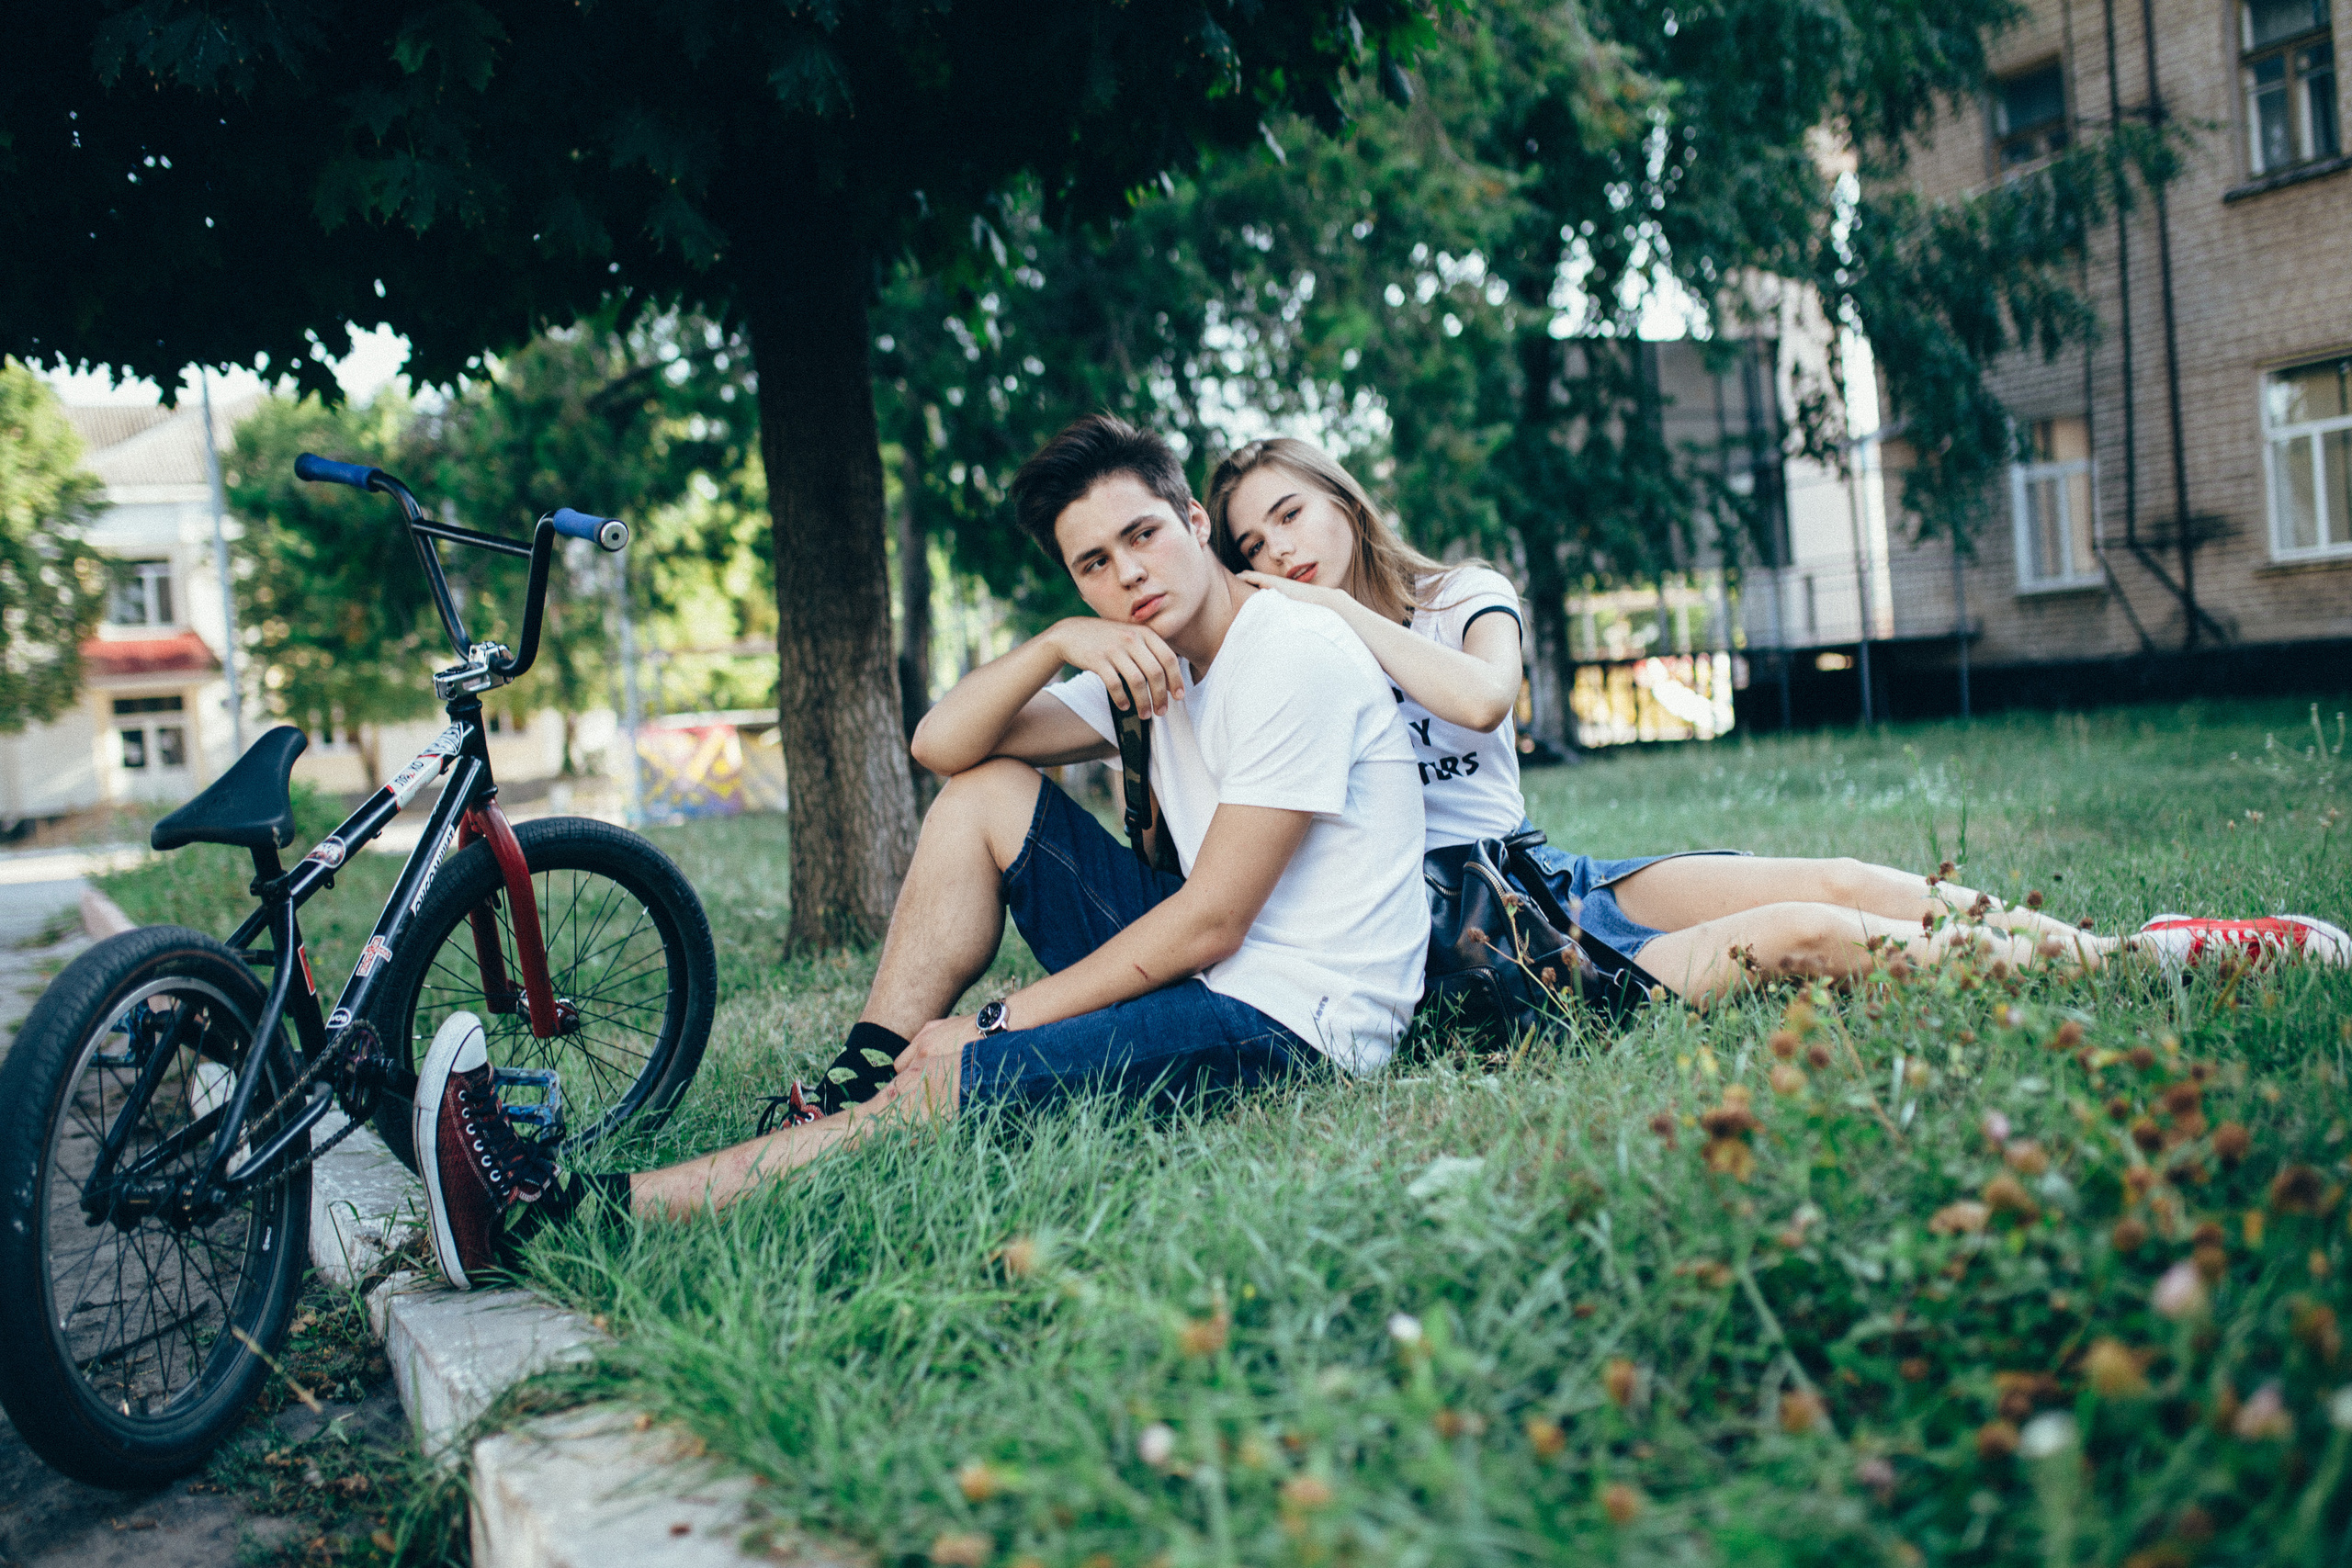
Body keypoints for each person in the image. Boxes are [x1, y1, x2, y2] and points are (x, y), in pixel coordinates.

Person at [411, 414, 1430, 1288]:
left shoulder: (1287, 651)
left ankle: (556, 1216)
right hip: (1225, 967)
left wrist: (993, 1022)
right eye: (1094, 564)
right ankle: (866, 1073)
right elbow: (943, 748)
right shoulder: (1148, 661)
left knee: (947, 1083)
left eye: (1144, 536)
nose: (1128, 575)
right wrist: (1053, 645)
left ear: (1196, 525)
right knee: (987, 793)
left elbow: (1214, 918)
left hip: (1296, 1018)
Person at [1204, 435, 2350, 1007]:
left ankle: (2123, 957)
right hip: (1468, 938)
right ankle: (2136, 972)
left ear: (1342, 500)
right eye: (1252, 548)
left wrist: (1324, 609)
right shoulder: (1287, 655)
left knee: (1846, 876)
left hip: (1535, 871)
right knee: (1813, 931)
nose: (1280, 554)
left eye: (1290, 516)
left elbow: (1483, 699)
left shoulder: (1460, 595)